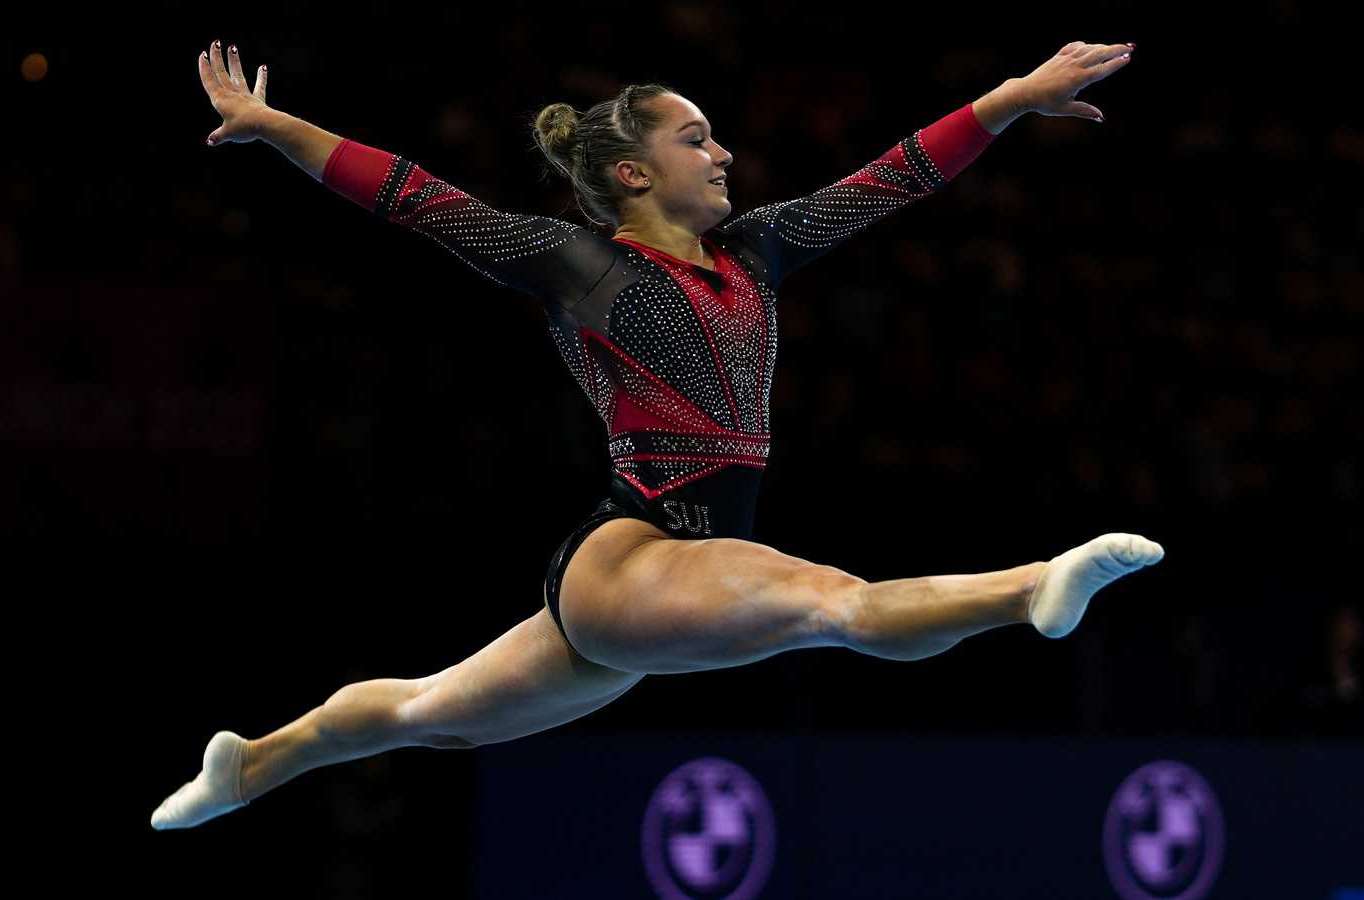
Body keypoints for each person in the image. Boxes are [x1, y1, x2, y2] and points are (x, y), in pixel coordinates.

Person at [153, 38, 1161, 830]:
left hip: (648, 594)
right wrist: (272, 123)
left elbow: (892, 178)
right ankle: (1032, 587)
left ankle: (248, 764)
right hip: (632, 555)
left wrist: (1012, 98)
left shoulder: (757, 249)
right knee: (830, 603)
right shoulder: (575, 262)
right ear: (632, 174)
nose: (721, 152)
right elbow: (415, 198)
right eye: (697, 137)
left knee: (430, 716)